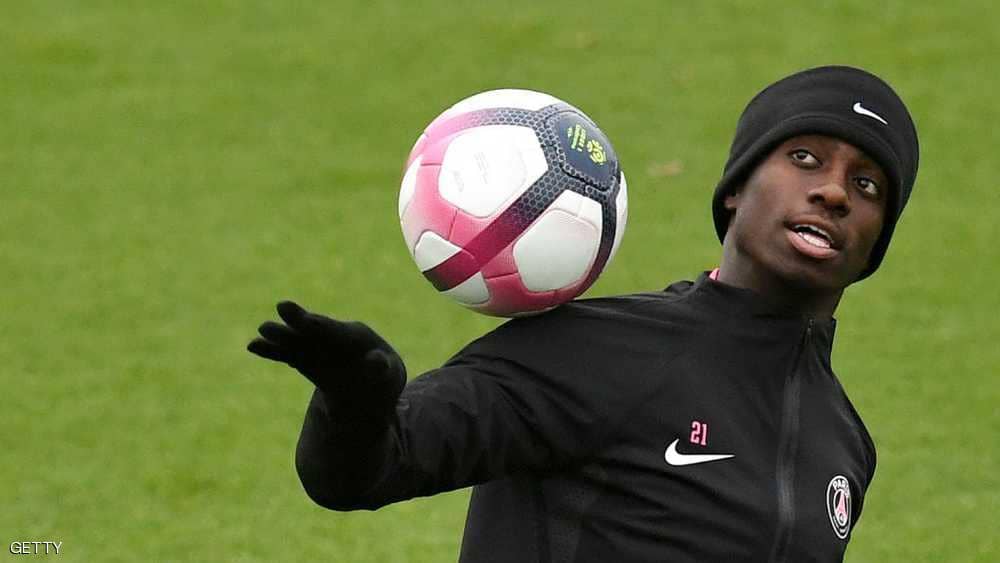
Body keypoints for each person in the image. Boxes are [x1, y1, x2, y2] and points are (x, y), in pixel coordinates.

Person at [247, 65, 919, 562]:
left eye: (866, 184)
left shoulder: (843, 444)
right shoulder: (595, 352)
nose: (834, 192)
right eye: (805, 158)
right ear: (736, 188)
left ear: (876, 242)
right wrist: (354, 404)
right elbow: (364, 471)